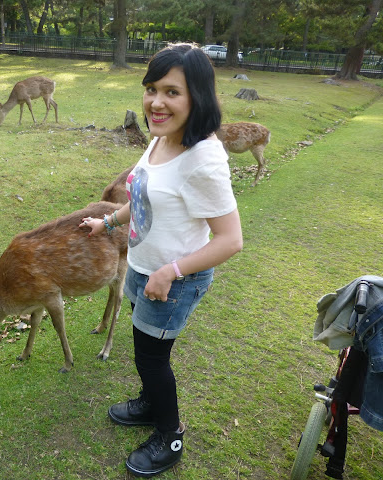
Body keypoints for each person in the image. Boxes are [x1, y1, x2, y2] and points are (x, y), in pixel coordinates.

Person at [80, 44, 243, 477]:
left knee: (152, 359)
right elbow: (143, 198)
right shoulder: (162, 139)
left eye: (172, 92)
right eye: (151, 89)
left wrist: (171, 271)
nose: (155, 102)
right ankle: (152, 405)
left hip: (172, 279)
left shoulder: (203, 160)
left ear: (198, 98)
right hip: (143, 268)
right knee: (147, 353)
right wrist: (108, 223)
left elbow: (230, 240)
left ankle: (169, 435)